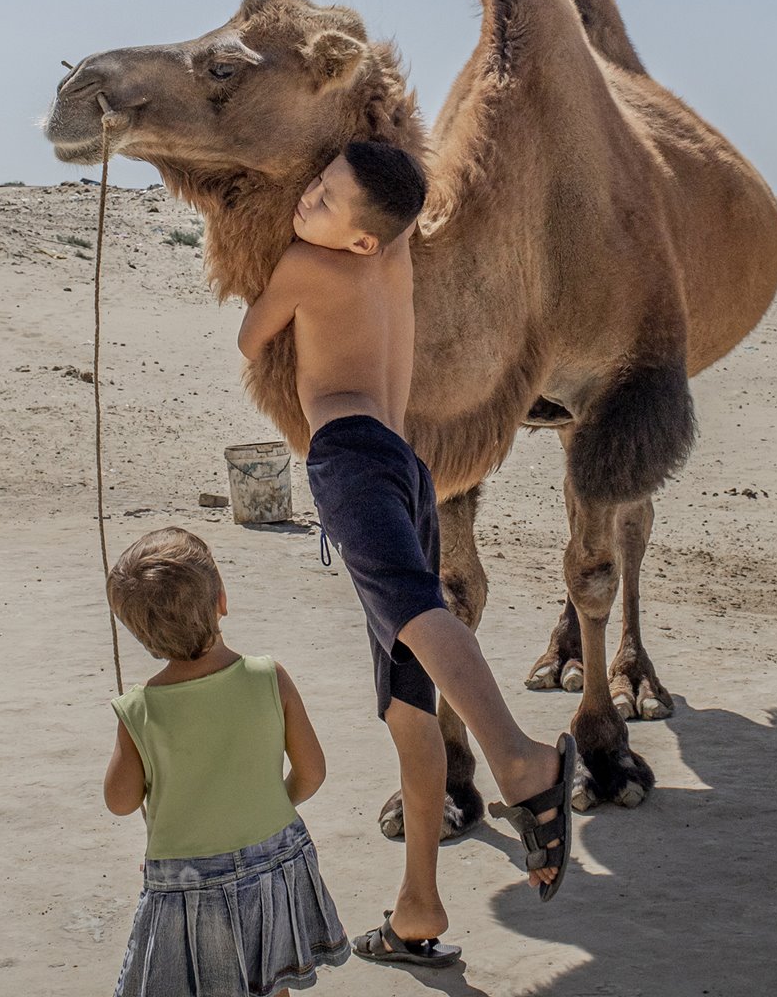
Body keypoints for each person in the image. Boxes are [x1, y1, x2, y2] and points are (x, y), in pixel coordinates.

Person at [238, 140, 576, 970]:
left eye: (323, 202)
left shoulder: (307, 266)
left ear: (360, 236)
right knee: (407, 708)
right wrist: (346, 198)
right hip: (408, 466)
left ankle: (520, 761)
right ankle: (417, 910)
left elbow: (252, 343)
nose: (305, 202)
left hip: (350, 459)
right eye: (312, 185)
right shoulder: (390, 253)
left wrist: (280, 257)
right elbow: (389, 192)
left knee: (419, 616)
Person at [104, 527, 349, 996]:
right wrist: (270, 804)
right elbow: (312, 771)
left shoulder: (140, 709)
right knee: (272, 977)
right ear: (222, 599)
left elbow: (120, 801)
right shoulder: (268, 676)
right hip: (276, 859)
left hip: (188, 881)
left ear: (141, 636)